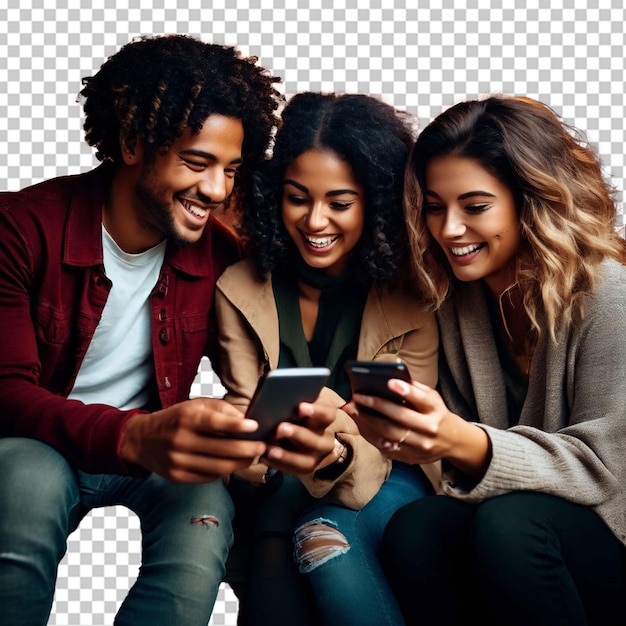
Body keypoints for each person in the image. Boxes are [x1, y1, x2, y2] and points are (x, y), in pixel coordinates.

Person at [0, 35, 337, 626]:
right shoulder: (19, 230)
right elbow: (5, 393)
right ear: (132, 143)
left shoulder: (219, 256)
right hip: (38, 445)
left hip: (152, 455)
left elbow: (254, 369)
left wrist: (269, 424)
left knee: (207, 501)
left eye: (230, 170)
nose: (216, 190)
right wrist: (134, 435)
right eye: (196, 162)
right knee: (28, 480)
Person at [348, 95, 626, 625]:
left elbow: (610, 473)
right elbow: (454, 462)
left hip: (607, 534)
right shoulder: (455, 298)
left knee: (511, 523)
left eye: (475, 207)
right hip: (517, 524)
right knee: (416, 528)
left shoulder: (609, 294)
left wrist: (460, 439)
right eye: (434, 206)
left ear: (532, 200)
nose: (449, 229)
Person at [215, 91, 439, 625]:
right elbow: (250, 416)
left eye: (340, 203)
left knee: (312, 539)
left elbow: (399, 432)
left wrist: (327, 436)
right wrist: (311, 426)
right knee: (275, 524)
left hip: (391, 473)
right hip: (278, 474)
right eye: (297, 197)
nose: (315, 221)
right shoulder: (240, 288)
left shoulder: (414, 296)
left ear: (375, 202)